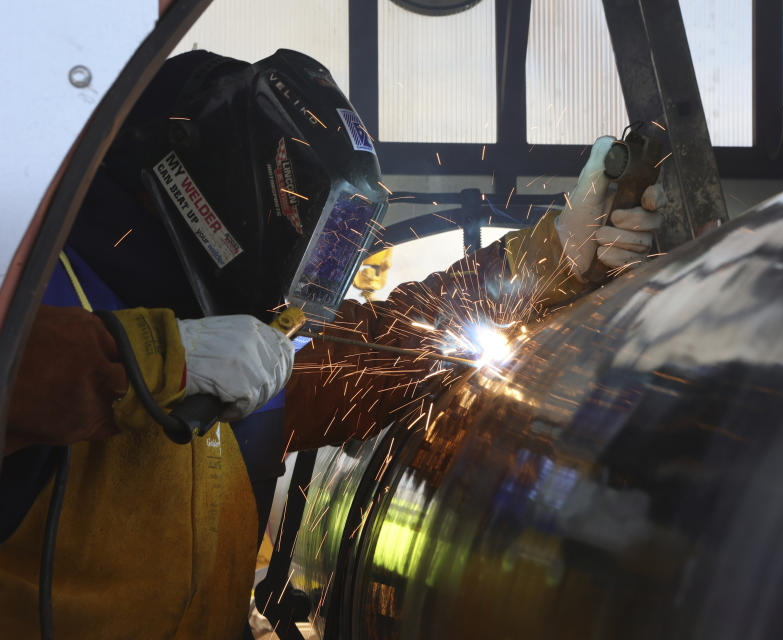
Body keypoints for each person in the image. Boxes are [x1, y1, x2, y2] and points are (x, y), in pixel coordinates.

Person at [0, 49, 662, 638]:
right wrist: (149, 363)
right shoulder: (39, 289)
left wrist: (556, 256)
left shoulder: (250, 334)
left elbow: (390, 346)